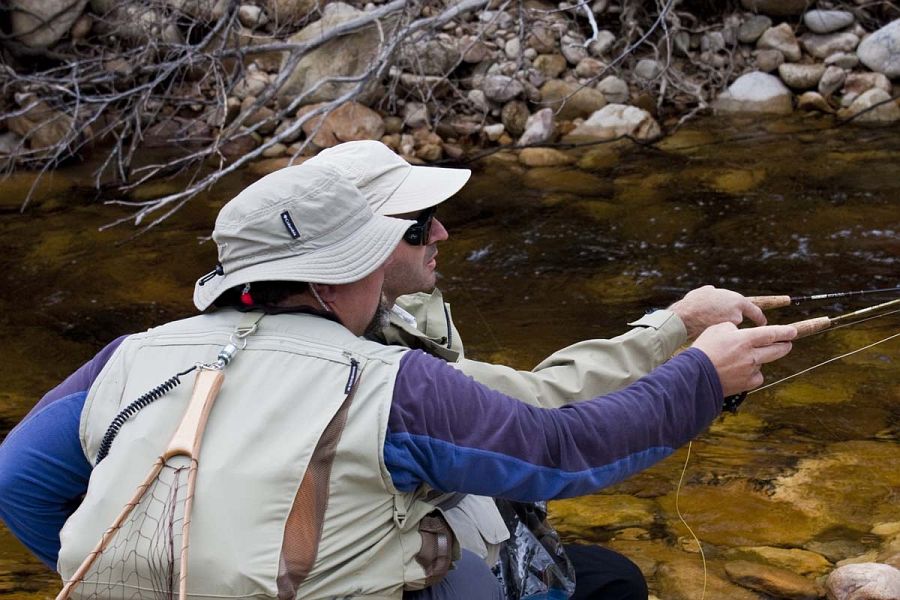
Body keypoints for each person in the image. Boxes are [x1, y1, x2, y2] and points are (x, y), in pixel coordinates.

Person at [0, 159, 796, 599]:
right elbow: (563, 450)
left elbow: (18, 481)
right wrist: (699, 375)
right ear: (345, 272)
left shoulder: (128, 355)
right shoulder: (392, 380)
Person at [305, 141, 769, 600]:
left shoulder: (328, 319)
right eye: (421, 225)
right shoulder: (382, 370)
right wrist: (689, 345)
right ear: (364, 248)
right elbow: (544, 414)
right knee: (610, 585)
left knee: (609, 576)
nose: (442, 233)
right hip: (402, 575)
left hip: (399, 548)